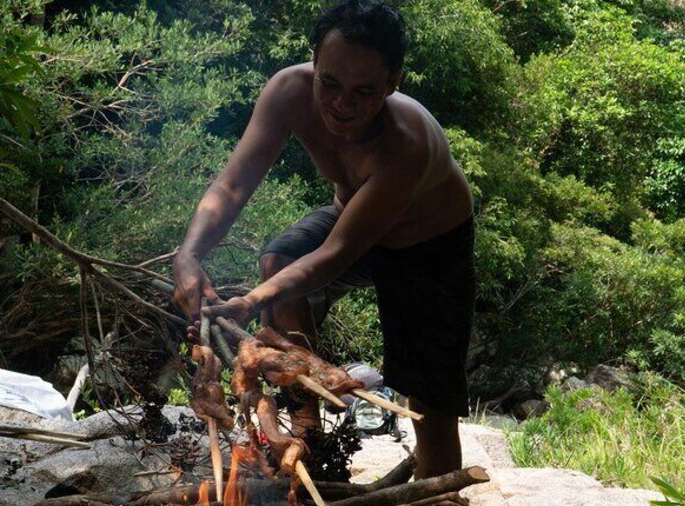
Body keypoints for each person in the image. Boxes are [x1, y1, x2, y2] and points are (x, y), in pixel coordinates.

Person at [172, 0, 476, 479]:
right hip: (348, 215)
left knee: (430, 400)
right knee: (279, 258)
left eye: (363, 92)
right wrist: (188, 256)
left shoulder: (406, 142)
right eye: (329, 83)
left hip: (430, 246)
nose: (340, 103)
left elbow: (334, 255)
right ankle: (307, 425)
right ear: (314, 61)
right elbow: (232, 185)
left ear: (392, 84)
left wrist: (249, 301)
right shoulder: (289, 92)